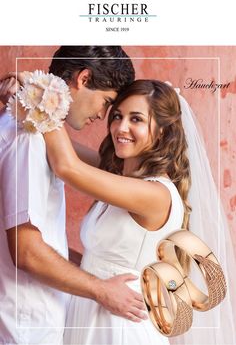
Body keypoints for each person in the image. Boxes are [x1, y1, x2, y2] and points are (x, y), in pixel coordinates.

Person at [0, 46, 148, 345]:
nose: (102, 116)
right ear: (83, 78)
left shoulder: (35, 129)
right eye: (106, 102)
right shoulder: (29, 136)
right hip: (25, 326)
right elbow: (26, 252)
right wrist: (102, 290)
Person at [43, 80, 190, 344]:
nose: (121, 128)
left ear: (161, 132)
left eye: (136, 119)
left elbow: (67, 167)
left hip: (121, 324)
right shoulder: (119, 177)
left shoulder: (156, 195)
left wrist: (39, 97)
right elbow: (61, 148)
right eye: (118, 116)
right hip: (92, 310)